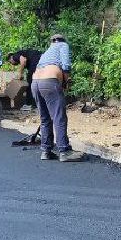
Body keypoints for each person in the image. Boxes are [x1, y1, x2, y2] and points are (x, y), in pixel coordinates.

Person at [31, 34, 83, 162]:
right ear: (63, 40)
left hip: (35, 83)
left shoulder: (47, 51)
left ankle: (46, 151)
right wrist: (66, 82)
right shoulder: (63, 45)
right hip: (49, 82)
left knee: (45, 118)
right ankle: (64, 151)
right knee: (59, 117)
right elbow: (66, 65)